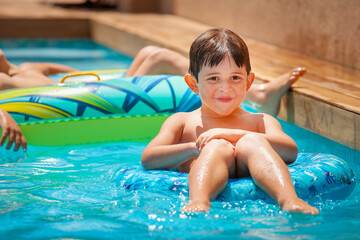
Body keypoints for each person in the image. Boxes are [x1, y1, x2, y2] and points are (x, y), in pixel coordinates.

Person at [141, 28, 319, 215]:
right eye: (213, 78)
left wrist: (235, 135)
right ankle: (199, 202)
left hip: (250, 192)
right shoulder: (182, 121)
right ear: (193, 84)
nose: (225, 88)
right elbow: (149, 158)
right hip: (207, 184)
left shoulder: (260, 120)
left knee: (253, 141)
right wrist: (194, 148)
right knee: (216, 146)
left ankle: (289, 200)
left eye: (235, 77)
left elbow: (291, 151)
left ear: (249, 82)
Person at [1, 46, 305, 116]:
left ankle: (260, 92)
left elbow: (57, 66)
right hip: (80, 100)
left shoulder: (27, 65)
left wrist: (84, 82)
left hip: (88, 87)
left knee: (150, 51)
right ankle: (260, 94)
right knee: (157, 56)